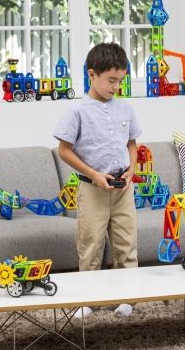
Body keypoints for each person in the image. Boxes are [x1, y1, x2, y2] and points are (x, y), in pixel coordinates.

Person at [53, 43, 142, 318]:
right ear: (92, 74)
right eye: (111, 80)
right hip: (93, 189)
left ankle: (127, 298)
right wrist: (94, 174)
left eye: (120, 81)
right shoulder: (77, 111)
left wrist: (131, 170)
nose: (116, 86)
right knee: (90, 245)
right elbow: (64, 150)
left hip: (122, 189)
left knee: (126, 243)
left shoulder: (125, 108)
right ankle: (88, 299)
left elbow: (132, 144)